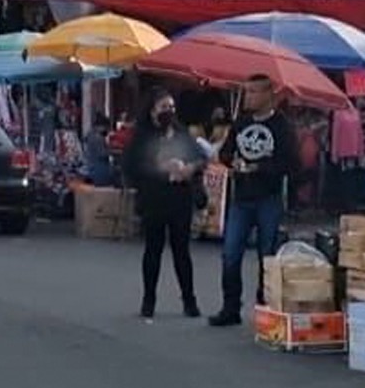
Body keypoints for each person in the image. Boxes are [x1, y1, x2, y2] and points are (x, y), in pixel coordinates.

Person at [208, 74, 299, 327]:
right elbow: (226, 151)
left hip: (268, 196)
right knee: (230, 253)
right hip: (242, 197)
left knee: (266, 255)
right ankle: (230, 306)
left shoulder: (282, 126)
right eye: (246, 92)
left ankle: (265, 305)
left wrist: (260, 168)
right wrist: (233, 162)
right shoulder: (241, 122)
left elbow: (291, 163)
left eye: (253, 92)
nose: (248, 97)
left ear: (269, 95)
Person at [122, 88, 205, 320]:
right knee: (153, 250)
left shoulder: (181, 133)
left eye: (171, 108)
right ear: (152, 111)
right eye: (163, 108)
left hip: (180, 197)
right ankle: (149, 300)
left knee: (182, 252)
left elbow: (200, 158)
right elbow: (131, 167)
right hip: (154, 198)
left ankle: (189, 300)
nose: (169, 112)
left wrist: (189, 168)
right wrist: (160, 169)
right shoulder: (142, 137)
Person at [81, 114, 114, 187]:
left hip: (91, 168)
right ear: (101, 126)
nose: (107, 130)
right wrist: (112, 151)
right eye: (106, 127)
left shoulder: (90, 135)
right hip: (98, 169)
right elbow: (102, 153)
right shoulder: (97, 137)